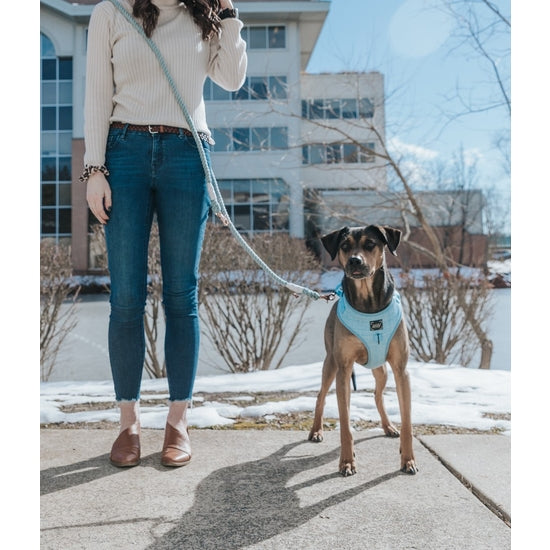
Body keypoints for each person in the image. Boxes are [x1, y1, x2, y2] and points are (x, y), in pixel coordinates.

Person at [81, 0, 247, 467]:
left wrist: (229, 12)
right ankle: (128, 423)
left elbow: (232, 78)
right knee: (127, 296)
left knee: (181, 293)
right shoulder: (111, 12)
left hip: (187, 156)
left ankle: (178, 420)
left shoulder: (205, 13)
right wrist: (94, 169)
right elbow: (96, 92)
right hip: (125, 153)